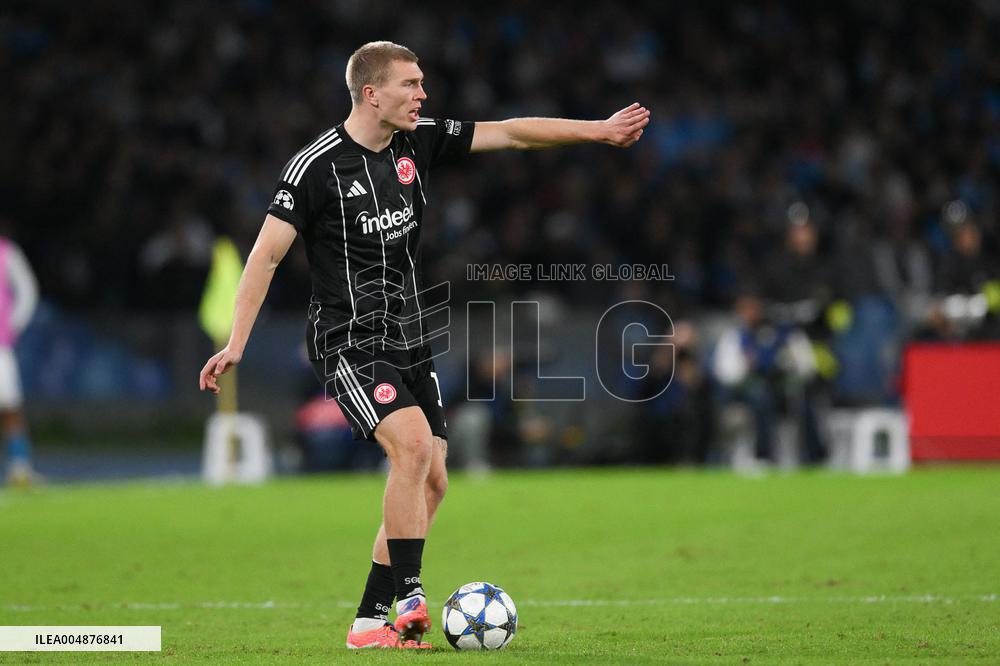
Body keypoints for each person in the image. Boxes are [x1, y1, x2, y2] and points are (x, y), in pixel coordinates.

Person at [198, 41, 649, 650]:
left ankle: (366, 624)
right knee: (410, 449)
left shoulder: (418, 141)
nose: (422, 95)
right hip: (348, 342)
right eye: (410, 85)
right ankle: (410, 595)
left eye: (421, 84)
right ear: (371, 93)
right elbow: (265, 256)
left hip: (410, 337)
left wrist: (597, 131)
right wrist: (237, 343)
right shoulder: (316, 168)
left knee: (433, 480)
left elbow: (512, 133)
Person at [0, 232, 40, 487]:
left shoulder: (6, 252)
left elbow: (27, 289)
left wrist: (13, 324)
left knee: (10, 405)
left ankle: (20, 468)